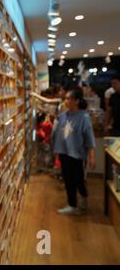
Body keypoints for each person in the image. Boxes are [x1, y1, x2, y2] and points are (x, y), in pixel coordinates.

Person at [52, 87, 96, 215]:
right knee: (68, 179)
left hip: (77, 154)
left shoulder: (84, 117)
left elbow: (89, 138)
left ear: (76, 101)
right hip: (64, 153)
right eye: (65, 98)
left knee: (78, 179)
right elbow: (59, 135)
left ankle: (84, 196)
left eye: (68, 98)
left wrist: (92, 157)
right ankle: (72, 205)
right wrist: (57, 152)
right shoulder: (62, 116)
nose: (66, 100)